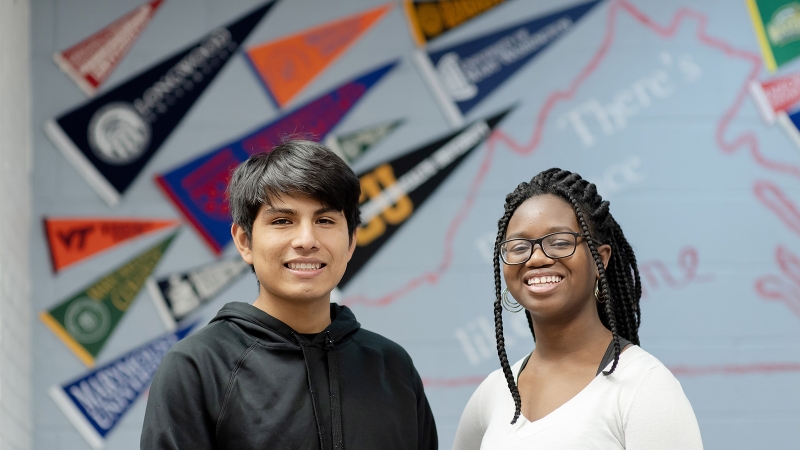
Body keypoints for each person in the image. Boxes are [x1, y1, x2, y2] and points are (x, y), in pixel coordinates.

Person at [141, 140, 438, 449]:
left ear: (351, 241)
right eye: (283, 221)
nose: (306, 240)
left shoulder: (392, 366)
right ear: (245, 241)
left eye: (324, 221)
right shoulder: (197, 366)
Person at [452, 168, 703, 449]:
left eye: (559, 243)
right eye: (520, 247)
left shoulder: (644, 386)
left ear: (601, 260)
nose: (536, 258)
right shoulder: (492, 393)